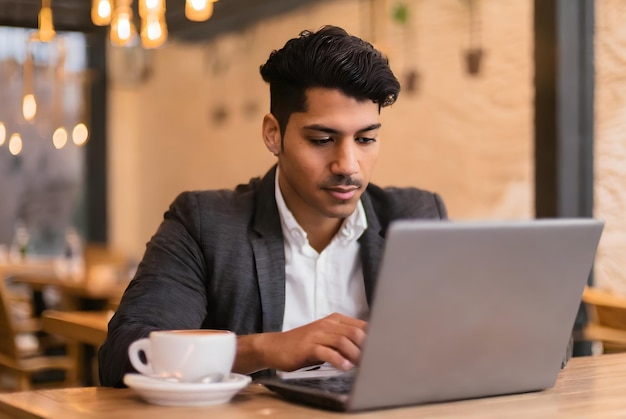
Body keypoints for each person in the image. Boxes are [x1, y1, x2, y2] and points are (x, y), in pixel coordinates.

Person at [98, 25, 447, 387]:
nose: (347, 165)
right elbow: (122, 356)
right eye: (322, 139)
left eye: (366, 139)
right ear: (273, 134)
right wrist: (263, 349)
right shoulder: (205, 224)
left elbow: (463, 341)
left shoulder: (417, 217)